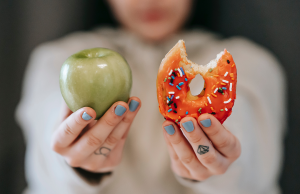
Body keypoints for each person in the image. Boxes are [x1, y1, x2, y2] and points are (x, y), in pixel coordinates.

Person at [16, 0, 286, 193]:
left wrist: (222, 161)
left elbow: (250, 144)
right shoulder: (52, 60)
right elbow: (45, 145)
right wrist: (73, 162)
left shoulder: (252, 62)